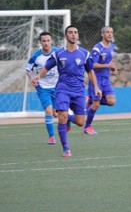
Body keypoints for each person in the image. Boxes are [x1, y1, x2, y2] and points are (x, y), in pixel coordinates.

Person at [32, 25, 101, 157]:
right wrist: (38, 77)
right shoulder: (58, 54)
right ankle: (66, 148)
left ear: (78, 36)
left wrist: (96, 88)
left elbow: (90, 71)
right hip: (63, 89)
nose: (73, 35)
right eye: (70, 32)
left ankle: (69, 118)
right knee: (61, 116)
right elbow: (46, 67)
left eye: (75, 32)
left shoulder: (84, 53)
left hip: (79, 91)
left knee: (81, 122)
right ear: (65, 36)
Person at [25, 32, 59, 144]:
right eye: (44, 41)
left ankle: (69, 120)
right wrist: (32, 78)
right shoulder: (36, 56)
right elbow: (28, 69)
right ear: (40, 42)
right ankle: (52, 137)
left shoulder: (58, 52)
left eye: (48, 40)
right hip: (43, 87)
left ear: (51, 41)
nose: (46, 43)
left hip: (57, 86)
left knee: (57, 113)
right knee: (49, 111)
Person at [84, 26, 117, 135]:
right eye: (107, 32)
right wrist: (107, 65)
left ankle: (90, 100)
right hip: (96, 79)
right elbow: (92, 65)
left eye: (111, 32)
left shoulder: (111, 46)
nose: (110, 34)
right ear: (102, 34)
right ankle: (87, 127)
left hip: (106, 79)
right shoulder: (97, 48)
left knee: (112, 101)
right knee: (96, 104)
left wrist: (112, 68)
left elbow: (110, 61)